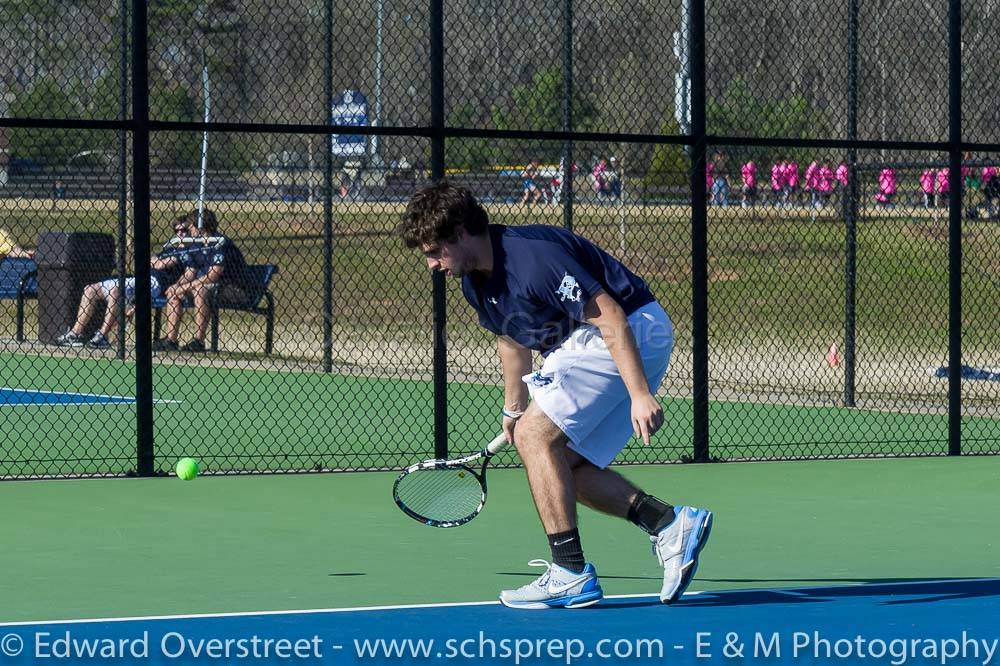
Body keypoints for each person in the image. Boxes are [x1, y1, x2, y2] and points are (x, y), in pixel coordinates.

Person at [396, 181, 712, 609]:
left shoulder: (532, 261)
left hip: (629, 328)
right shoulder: (473, 283)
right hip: (590, 341)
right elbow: (511, 341)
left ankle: (569, 572)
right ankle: (670, 524)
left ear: (461, 233)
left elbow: (611, 314)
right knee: (559, 465)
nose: (432, 264)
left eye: (435, 251)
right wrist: (513, 408)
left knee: (535, 438)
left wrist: (639, 394)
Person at [55, 219, 189, 349]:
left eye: (184, 230)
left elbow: (159, 264)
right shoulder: (170, 249)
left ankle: (102, 336)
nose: (180, 233)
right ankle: (75, 334)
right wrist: (156, 260)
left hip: (154, 284)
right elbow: (150, 261)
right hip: (138, 278)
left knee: (115, 290)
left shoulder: (187, 253)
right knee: (90, 289)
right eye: (177, 230)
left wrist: (157, 261)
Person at [152, 209, 250, 353]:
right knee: (174, 292)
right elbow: (190, 272)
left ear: (200, 226)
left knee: (199, 290)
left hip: (234, 288)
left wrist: (185, 287)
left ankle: (199, 341)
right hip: (208, 287)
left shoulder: (219, 243)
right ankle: (171, 340)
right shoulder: (195, 244)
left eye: (190, 226)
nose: (188, 229)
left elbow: (213, 276)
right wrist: (178, 286)